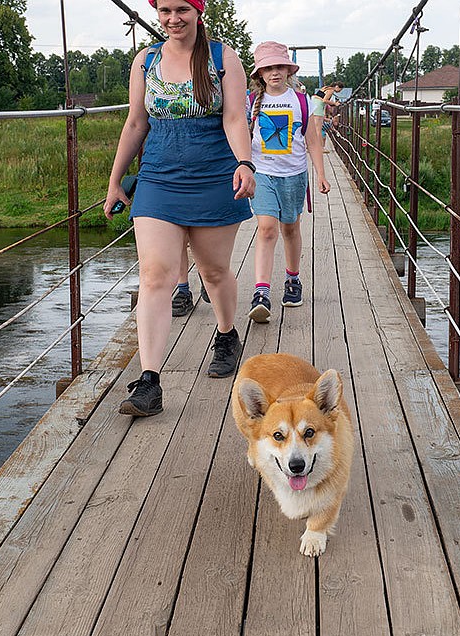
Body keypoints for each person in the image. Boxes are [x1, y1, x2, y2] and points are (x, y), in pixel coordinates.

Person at [104, 0, 255, 417]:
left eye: (181, 9)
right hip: (158, 177)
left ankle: (226, 334)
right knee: (156, 274)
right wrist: (116, 181)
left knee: (213, 271)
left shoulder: (224, 58)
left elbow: (234, 120)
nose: (173, 19)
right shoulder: (145, 60)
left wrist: (245, 163)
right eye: (165, 10)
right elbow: (136, 122)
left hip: (214, 175)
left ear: (198, 11)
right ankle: (149, 382)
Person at [245, 41, 330, 323]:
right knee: (267, 229)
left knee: (290, 229)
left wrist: (320, 173)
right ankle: (261, 292)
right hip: (263, 174)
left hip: (294, 174)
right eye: (268, 68)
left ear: (288, 69)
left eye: (279, 66)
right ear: (259, 73)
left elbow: (312, 140)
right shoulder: (250, 103)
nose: (274, 72)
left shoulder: (302, 101)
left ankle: (293, 279)